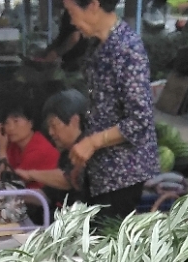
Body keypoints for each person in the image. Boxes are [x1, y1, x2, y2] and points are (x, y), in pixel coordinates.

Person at [64, 0, 160, 223]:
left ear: (94, 5)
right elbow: (98, 110)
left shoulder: (127, 49)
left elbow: (140, 120)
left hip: (123, 174)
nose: (71, 20)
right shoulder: (95, 45)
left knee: (107, 246)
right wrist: (85, 160)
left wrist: (92, 143)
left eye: (72, 12)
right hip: (100, 169)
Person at [26, 89, 91, 215]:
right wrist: (14, 195)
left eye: (54, 125)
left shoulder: (87, 151)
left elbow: (68, 180)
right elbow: (46, 194)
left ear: (74, 121)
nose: (50, 132)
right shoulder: (65, 154)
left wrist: (31, 174)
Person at [0, 101, 62, 223]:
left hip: (42, 209)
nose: (10, 128)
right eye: (6, 123)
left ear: (31, 123)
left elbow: (9, 183)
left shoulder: (39, 148)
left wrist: (2, 149)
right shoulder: (14, 146)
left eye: (16, 121)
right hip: (22, 204)